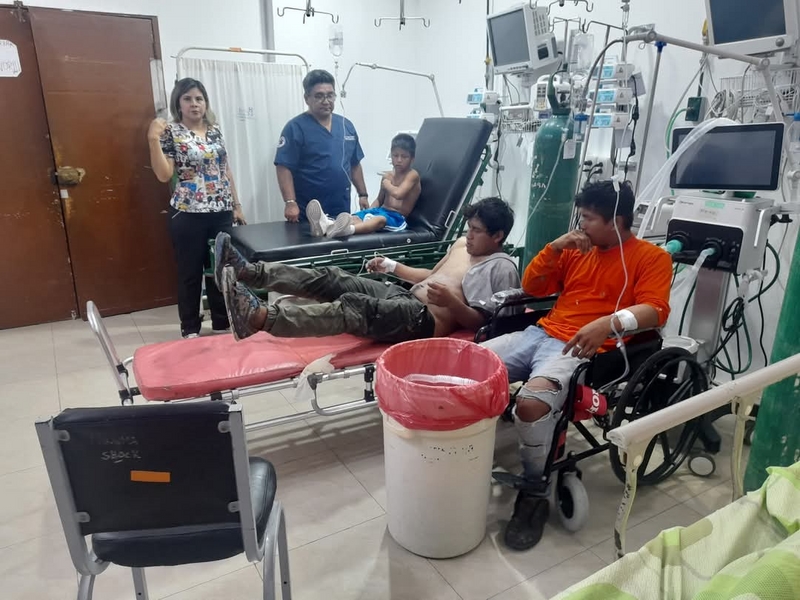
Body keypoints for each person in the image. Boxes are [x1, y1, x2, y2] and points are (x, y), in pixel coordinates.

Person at [482, 180, 673, 551]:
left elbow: (656, 311)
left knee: (532, 404)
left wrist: (609, 323)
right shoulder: (576, 249)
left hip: (580, 349)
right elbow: (534, 287)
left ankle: (535, 491)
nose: (581, 224)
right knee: (468, 368)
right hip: (539, 334)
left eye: (588, 218)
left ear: (616, 221)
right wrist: (554, 248)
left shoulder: (651, 258)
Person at [214, 197, 519, 342]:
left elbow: (486, 323)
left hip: (423, 320)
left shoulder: (500, 267)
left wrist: (452, 303)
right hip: (405, 296)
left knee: (355, 307)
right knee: (333, 277)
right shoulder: (461, 245)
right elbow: (431, 277)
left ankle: (258, 318)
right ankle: (248, 271)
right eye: (469, 228)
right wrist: (391, 266)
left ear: (498, 236)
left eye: (477, 231)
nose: (469, 235)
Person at [147, 78, 246, 339]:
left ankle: (222, 322)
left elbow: (225, 170)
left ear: (205, 103)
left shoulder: (215, 131)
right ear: (178, 103)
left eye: (199, 99)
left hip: (221, 210)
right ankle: (190, 327)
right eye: (188, 99)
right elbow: (163, 174)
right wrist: (152, 139)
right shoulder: (171, 132)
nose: (194, 104)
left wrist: (236, 205)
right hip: (188, 212)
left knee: (220, 268)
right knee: (190, 272)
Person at [275, 69, 369, 224]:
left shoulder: (346, 126)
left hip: (341, 208)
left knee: (341, 239)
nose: (326, 101)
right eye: (319, 96)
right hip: (308, 211)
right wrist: (290, 202)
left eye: (330, 95)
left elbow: (354, 164)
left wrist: (363, 194)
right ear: (307, 98)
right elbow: (283, 167)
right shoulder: (295, 128)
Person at [308, 133, 421, 238]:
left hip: (397, 218)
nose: (399, 160)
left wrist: (386, 184)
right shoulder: (388, 176)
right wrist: (368, 211)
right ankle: (326, 224)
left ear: (412, 159)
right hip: (381, 211)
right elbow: (379, 200)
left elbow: (399, 194)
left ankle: (347, 230)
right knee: (355, 217)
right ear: (391, 156)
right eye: (395, 155)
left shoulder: (412, 175)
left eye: (404, 156)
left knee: (379, 220)